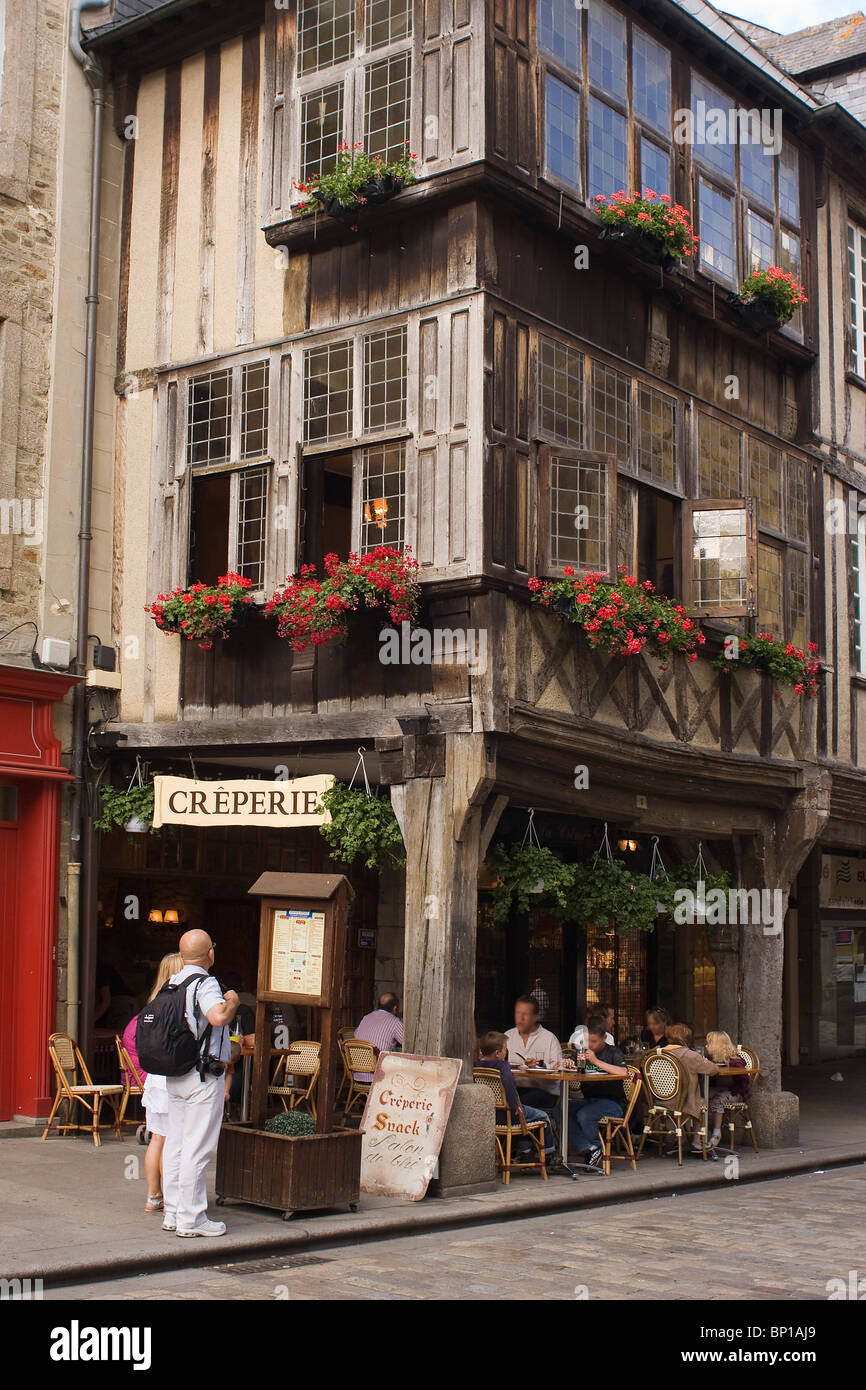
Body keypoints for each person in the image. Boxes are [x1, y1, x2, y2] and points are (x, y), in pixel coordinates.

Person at [161, 930, 238, 1238]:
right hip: (202, 1075)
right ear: (211, 955)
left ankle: (173, 1211)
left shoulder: (172, 982)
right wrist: (231, 1001)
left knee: (177, 1143)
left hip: (175, 1074)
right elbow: (218, 1017)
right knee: (198, 1147)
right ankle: (192, 1218)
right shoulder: (205, 983)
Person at [122, 952, 183, 1214]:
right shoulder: (177, 1006)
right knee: (171, 1140)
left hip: (153, 1080)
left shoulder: (151, 1007)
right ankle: (171, 1198)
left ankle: (153, 1197)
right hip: (170, 1079)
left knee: (157, 1138)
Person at [478, 1031, 555, 1160]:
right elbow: (509, 1086)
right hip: (509, 1115)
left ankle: (525, 1149)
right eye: (504, 1049)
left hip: (491, 1116)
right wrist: (515, 1106)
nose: (506, 1051)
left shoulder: (477, 1066)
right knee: (543, 1116)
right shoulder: (503, 1067)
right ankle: (548, 1154)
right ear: (498, 1053)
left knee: (528, 1112)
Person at [567, 1016, 628, 1172]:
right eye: (587, 1041)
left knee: (584, 1114)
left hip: (612, 1102)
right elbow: (566, 1064)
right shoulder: (583, 1052)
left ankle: (597, 1147)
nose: (590, 1045)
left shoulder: (614, 1053)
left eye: (594, 1041)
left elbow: (623, 1072)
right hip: (589, 1099)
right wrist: (567, 1063)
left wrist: (596, 1061)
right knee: (562, 1109)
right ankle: (590, 1148)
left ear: (604, 1038)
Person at [663, 1022, 721, 1155]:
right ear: (686, 1038)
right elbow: (713, 1069)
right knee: (701, 1101)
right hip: (683, 1102)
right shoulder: (690, 1055)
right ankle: (696, 1140)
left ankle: (678, 1140)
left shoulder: (657, 1053)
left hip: (661, 1101)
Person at [505, 995, 563, 1113]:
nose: (520, 1018)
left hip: (544, 1092)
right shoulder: (508, 1037)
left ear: (536, 1017)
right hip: (515, 1089)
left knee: (515, 1104)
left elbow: (559, 1068)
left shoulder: (549, 1038)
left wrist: (539, 1066)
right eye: (518, 1013)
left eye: (525, 1014)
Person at [705, 1030, 750, 1150]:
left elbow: (744, 1079)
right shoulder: (715, 1060)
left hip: (737, 1092)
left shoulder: (735, 1060)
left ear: (717, 1046)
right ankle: (703, 1131)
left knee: (717, 1100)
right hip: (725, 1088)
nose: (706, 1047)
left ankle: (716, 1132)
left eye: (709, 1044)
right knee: (703, 1095)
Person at [353, 993, 404, 1083]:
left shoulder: (366, 1018)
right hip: (379, 1078)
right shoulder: (395, 1022)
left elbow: (355, 1035)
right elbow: (406, 1042)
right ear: (395, 1008)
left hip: (357, 1074)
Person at [94, 961, 137, 1033]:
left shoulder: (101, 970)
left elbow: (106, 1002)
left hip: (123, 1005)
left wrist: (91, 1021)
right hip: (124, 1004)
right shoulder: (102, 970)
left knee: (120, 1036)